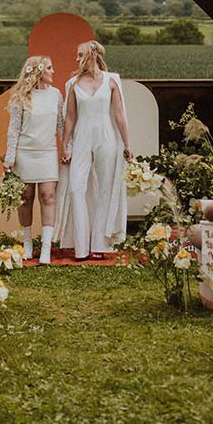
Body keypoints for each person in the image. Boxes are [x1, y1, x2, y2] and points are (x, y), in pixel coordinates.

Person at [54, 41, 132, 260]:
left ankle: (99, 244)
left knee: (106, 188)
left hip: (106, 137)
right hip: (81, 138)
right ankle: (80, 246)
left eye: (81, 55)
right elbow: (69, 117)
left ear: (94, 54)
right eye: (77, 56)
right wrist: (66, 145)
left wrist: (127, 145)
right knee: (75, 188)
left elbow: (119, 115)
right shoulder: (73, 83)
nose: (77, 60)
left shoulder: (112, 80)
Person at [3, 55, 63, 265]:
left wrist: (68, 148)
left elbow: (61, 126)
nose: (53, 71)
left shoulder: (56, 95)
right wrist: (10, 157)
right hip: (24, 153)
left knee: (48, 197)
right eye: (49, 67)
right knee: (26, 198)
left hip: (47, 152)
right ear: (38, 72)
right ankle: (27, 244)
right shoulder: (21, 96)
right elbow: (13, 129)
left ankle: (46, 248)